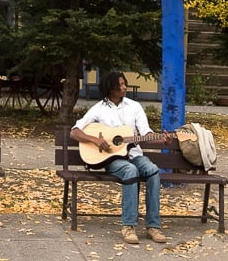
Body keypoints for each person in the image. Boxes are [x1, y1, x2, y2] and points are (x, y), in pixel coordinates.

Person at [70, 69, 171, 245]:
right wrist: (95, 140)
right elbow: (75, 132)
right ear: (110, 88)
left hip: (134, 155)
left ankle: (153, 226)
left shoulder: (134, 106)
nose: (124, 87)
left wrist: (162, 140)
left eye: (124, 84)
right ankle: (128, 226)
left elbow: (146, 133)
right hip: (112, 159)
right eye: (120, 85)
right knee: (130, 170)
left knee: (153, 171)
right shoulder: (98, 109)